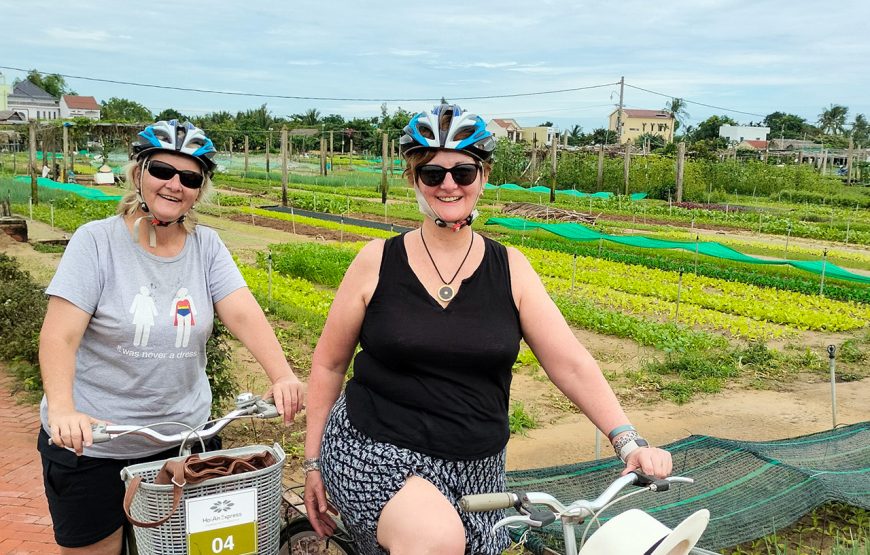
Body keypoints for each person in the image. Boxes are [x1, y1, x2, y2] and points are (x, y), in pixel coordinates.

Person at [303, 104, 673, 555]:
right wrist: (313, 462)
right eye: (431, 173)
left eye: (462, 171)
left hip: (478, 466)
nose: (448, 185)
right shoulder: (375, 262)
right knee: (435, 542)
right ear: (413, 178)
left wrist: (627, 440)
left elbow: (569, 362)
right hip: (376, 450)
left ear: (483, 175)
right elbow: (328, 363)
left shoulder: (511, 268)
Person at [37, 119, 305, 554]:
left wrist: (283, 375)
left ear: (200, 188)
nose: (174, 185)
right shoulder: (95, 243)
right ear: (139, 172)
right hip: (95, 444)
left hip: (183, 443)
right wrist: (65, 410)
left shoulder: (207, 246)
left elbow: (242, 311)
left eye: (190, 177)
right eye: (162, 170)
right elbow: (59, 336)